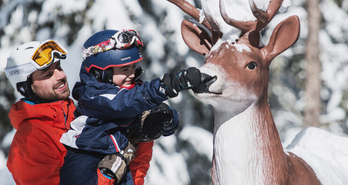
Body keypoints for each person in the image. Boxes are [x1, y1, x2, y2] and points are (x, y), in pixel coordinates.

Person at [59, 29, 204, 185]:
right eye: (124, 69)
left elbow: (145, 105)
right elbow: (123, 103)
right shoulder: (93, 96)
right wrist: (166, 86)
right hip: (85, 157)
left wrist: (165, 118)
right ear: (101, 72)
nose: (132, 74)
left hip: (117, 159)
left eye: (132, 67)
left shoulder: (129, 91)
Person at [4, 40, 76, 184]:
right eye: (48, 75)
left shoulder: (75, 112)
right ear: (27, 87)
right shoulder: (30, 140)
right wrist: (108, 174)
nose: (60, 76)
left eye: (59, 67)